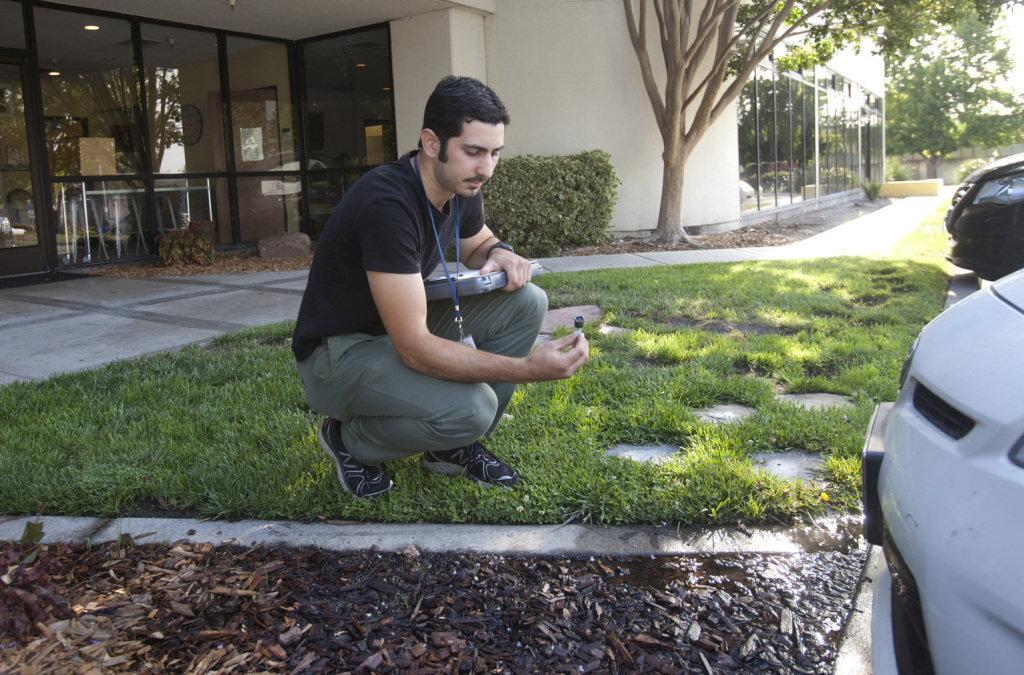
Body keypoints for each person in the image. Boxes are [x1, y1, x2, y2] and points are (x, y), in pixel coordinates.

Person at [292, 76, 589, 498]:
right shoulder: (387, 205)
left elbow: (476, 243)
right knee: (475, 408)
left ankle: (451, 447)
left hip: (388, 332)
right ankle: (350, 442)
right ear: (431, 143)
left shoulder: (459, 185)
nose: (485, 168)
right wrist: (526, 371)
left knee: (527, 301)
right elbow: (414, 345)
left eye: (494, 153)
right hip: (338, 353)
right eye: (473, 152)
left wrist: (499, 250)